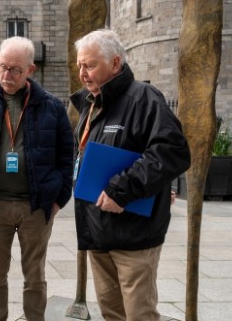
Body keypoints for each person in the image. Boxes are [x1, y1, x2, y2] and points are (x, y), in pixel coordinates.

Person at [70, 29, 191, 321]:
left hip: (134, 235)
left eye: (90, 65)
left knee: (139, 314)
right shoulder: (90, 104)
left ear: (115, 63)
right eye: (80, 66)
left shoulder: (144, 98)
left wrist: (123, 189)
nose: (83, 74)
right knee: (112, 314)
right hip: (98, 231)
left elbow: (172, 151)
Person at [0, 36, 74, 321]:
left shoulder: (52, 107)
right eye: (2, 67)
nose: (6, 75)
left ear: (30, 70)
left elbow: (66, 156)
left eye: (14, 69)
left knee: (34, 276)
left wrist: (58, 199)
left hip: (35, 207)